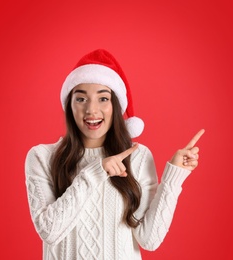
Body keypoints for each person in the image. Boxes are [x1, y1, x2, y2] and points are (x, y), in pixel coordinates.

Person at [25, 49, 205, 260]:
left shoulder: (136, 157)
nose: (92, 110)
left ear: (115, 105)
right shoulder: (42, 157)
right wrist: (96, 172)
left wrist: (174, 177)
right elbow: (49, 231)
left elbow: (149, 239)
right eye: (81, 99)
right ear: (69, 106)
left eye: (103, 99)